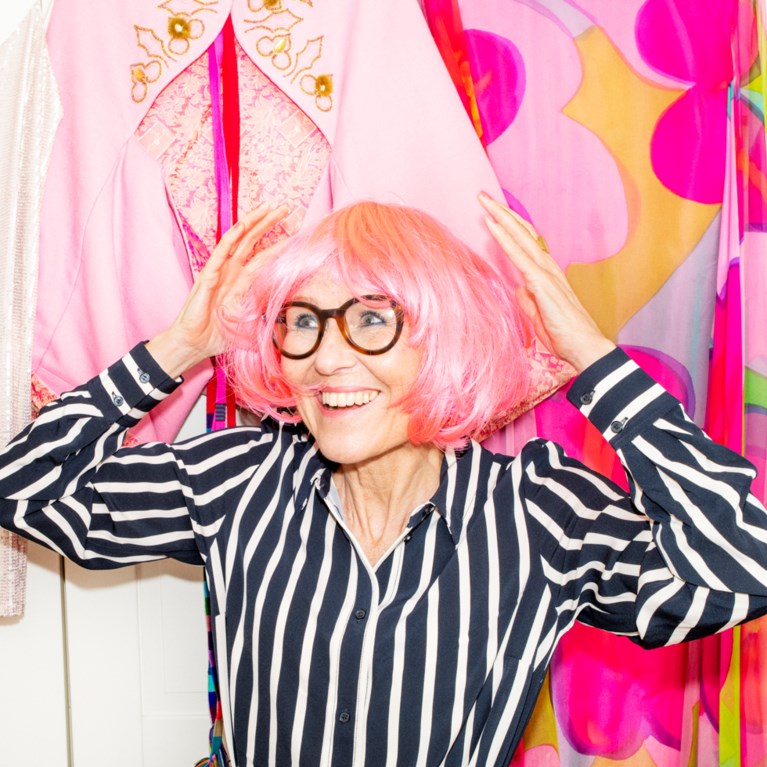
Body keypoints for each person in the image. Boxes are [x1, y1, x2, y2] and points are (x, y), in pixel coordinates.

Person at [2, 195, 767, 767]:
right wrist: (176, 349)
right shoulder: (240, 478)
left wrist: (594, 361)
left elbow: (740, 568)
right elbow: (24, 487)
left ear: (444, 340)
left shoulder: (539, 510)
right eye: (302, 322)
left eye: (372, 320)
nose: (327, 358)